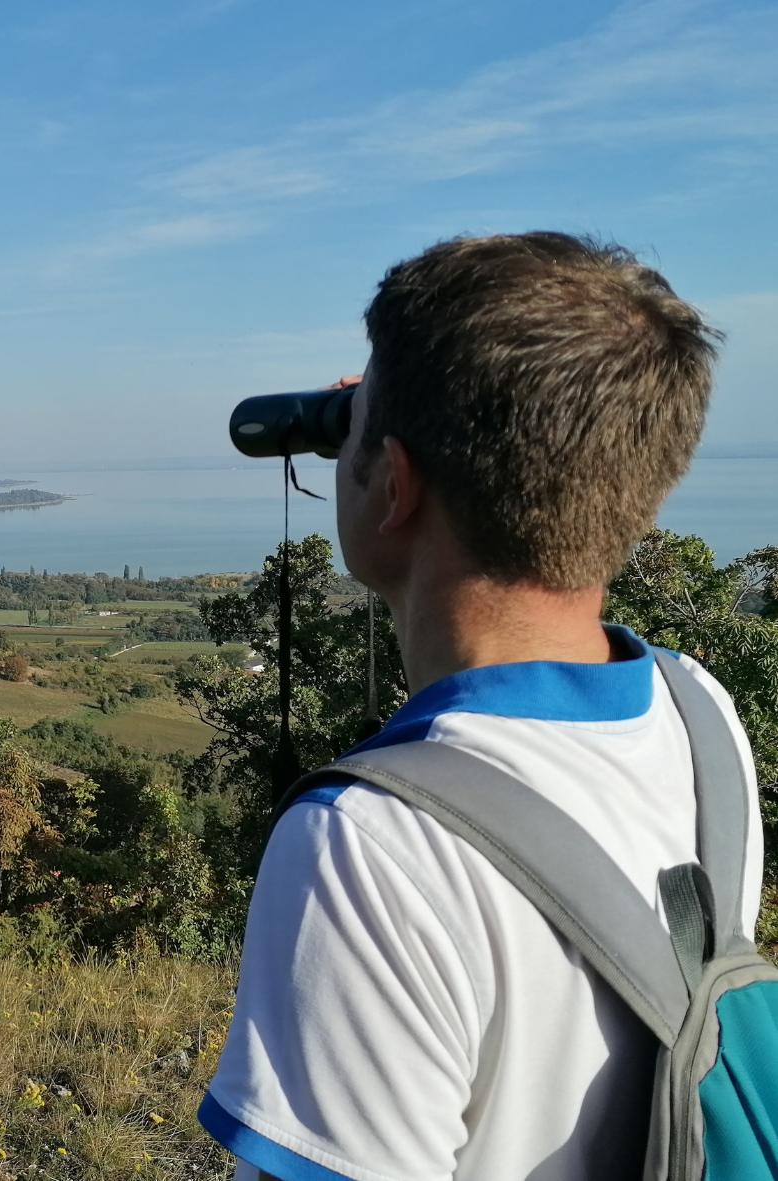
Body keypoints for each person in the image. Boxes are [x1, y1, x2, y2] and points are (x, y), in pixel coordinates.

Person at [197, 233, 761, 1180]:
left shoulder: (371, 847)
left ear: (396, 483)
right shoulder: (700, 716)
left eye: (356, 425)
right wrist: (389, 415)